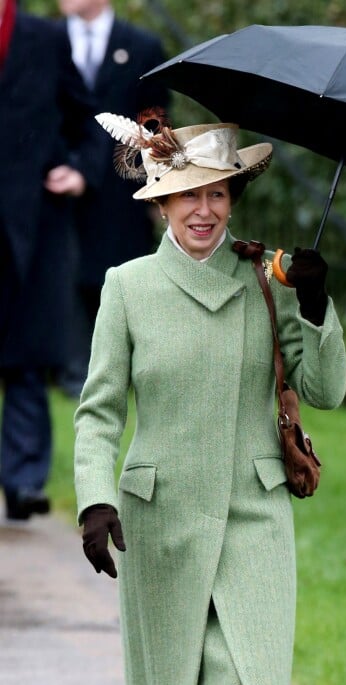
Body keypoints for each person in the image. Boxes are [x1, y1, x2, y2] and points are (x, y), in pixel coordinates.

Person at [73, 110, 346, 685]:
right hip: (161, 520)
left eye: (218, 193)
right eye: (187, 194)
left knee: (246, 680)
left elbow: (325, 390)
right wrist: (95, 496)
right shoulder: (128, 287)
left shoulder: (266, 279)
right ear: (160, 201)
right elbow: (98, 413)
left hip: (254, 509)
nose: (204, 210)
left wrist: (318, 303)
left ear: (233, 198)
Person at [0, 0, 105, 521]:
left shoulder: (45, 38)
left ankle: (22, 483)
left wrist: (82, 171)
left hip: (32, 229)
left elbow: (89, 122)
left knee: (24, 360)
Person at [56, 0, 170, 396]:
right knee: (64, 277)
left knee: (120, 282)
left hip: (121, 194)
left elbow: (155, 121)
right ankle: (72, 372)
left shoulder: (141, 46)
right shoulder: (47, 41)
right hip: (55, 187)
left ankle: (126, 370)